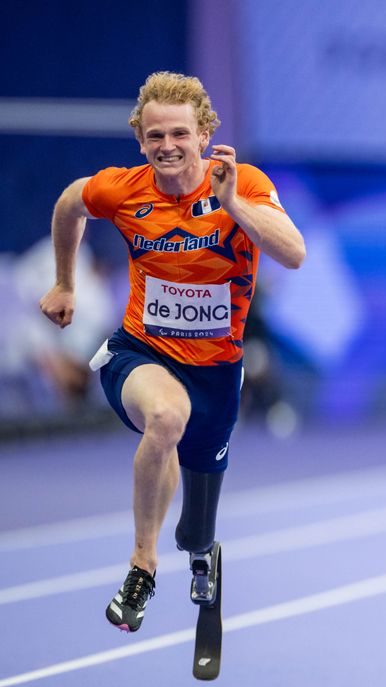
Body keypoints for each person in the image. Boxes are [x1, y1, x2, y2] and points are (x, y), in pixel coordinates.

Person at [39, 71, 305, 632]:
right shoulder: (123, 188)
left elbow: (294, 253)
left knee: (197, 527)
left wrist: (232, 203)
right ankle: (142, 565)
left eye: (179, 134)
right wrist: (65, 282)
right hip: (141, 351)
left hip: (216, 370)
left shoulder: (243, 182)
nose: (167, 147)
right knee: (165, 417)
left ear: (204, 133)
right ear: (140, 139)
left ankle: (201, 550)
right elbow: (70, 204)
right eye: (155, 135)